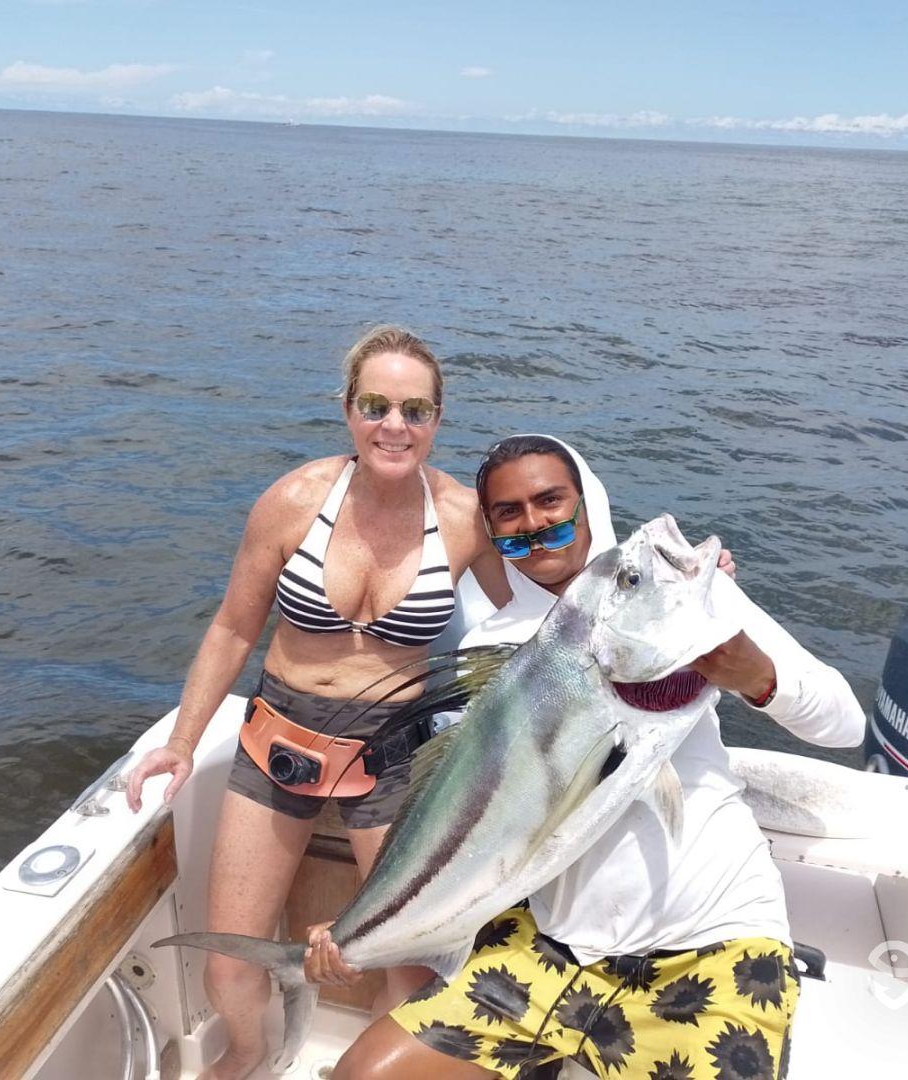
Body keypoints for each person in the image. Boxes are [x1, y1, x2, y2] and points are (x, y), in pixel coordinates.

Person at [312, 434, 865, 1080]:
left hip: (713, 943)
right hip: (549, 951)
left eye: (551, 500)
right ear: (492, 531)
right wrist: (355, 928)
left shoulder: (692, 604)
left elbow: (844, 722)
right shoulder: (495, 653)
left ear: (586, 500)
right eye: (509, 514)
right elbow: (462, 812)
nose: (535, 523)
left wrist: (757, 673)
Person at [124, 327, 511, 1080]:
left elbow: (539, 602)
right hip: (280, 739)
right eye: (376, 405)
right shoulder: (293, 501)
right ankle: (252, 1052)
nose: (394, 426)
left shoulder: (465, 519)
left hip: (395, 752)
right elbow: (235, 628)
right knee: (229, 967)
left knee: (411, 976)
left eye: (415, 410)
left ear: (438, 420)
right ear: (347, 410)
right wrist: (182, 740)